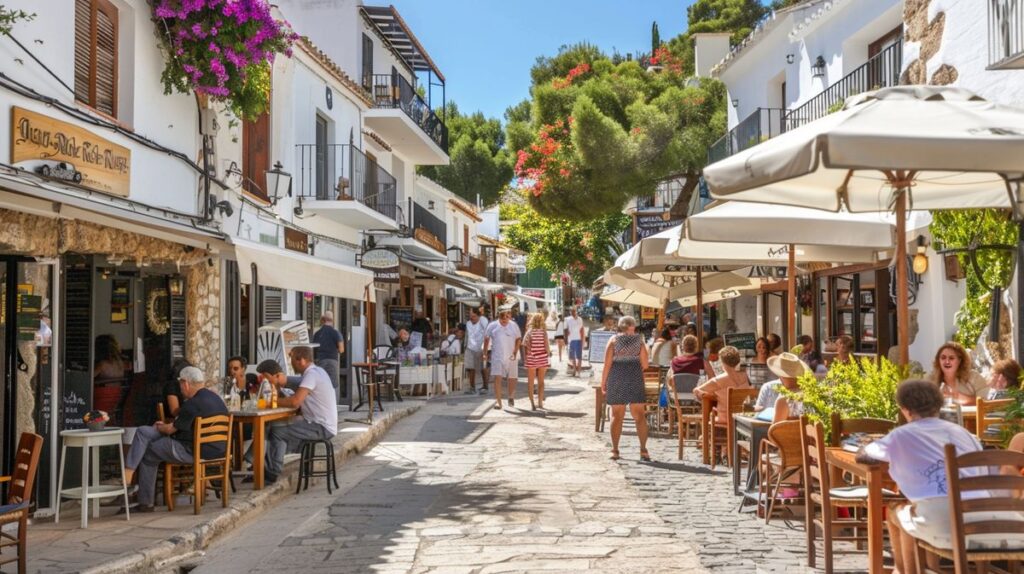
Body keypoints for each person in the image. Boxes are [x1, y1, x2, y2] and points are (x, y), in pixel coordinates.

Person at [857, 380, 984, 574]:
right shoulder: (964, 434)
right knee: (915, 509)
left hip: (943, 520)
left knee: (895, 512)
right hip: (981, 517)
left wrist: (866, 443)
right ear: (938, 406)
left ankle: (905, 571)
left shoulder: (901, 435)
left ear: (905, 409)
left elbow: (865, 456)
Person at [123, 366, 227, 512]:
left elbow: (171, 429)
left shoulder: (192, 403)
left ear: (185, 383)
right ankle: (130, 471)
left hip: (192, 451)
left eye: (180, 385)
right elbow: (178, 426)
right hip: (215, 449)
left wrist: (161, 427)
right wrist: (163, 427)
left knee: (147, 452)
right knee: (143, 431)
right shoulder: (216, 399)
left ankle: (144, 500)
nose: (180, 390)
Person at [257, 346, 338, 484]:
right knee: (277, 427)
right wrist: (277, 379)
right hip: (320, 424)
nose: (291, 364)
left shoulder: (311, 375)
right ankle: (263, 467)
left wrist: (271, 402)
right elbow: (288, 381)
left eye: (292, 360)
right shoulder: (318, 372)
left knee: (277, 431)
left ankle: (271, 473)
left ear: (301, 360)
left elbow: (295, 402)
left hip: (320, 426)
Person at [601, 316, 651, 462]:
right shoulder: (639, 342)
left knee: (617, 415)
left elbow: (607, 364)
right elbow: (646, 364)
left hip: (616, 377)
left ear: (620, 326)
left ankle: (615, 450)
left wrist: (603, 382)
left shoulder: (613, 341)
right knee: (640, 416)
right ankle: (643, 450)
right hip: (635, 377)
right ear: (633, 327)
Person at [695, 346, 752, 424]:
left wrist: (708, 395)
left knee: (706, 418)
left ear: (722, 362)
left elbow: (696, 390)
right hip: (743, 418)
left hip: (725, 418)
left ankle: (705, 435)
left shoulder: (719, 380)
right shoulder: (746, 375)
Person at [483, 308, 522, 410]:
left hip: (512, 355)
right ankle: (498, 401)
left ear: (509, 317)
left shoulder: (513, 325)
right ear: (498, 318)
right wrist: (485, 353)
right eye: (502, 319)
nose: (504, 321)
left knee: (512, 377)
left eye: (506, 319)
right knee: (497, 377)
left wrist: (515, 351)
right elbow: (486, 339)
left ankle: (511, 396)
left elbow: (518, 339)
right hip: (497, 355)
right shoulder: (492, 326)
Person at [755, 352, 808, 423]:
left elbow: (774, 431)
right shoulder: (810, 396)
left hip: (787, 433)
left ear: (782, 376)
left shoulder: (783, 400)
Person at [312, 311, 345, 398]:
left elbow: (313, 349)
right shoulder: (336, 333)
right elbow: (341, 349)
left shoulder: (317, 333)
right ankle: (333, 405)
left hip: (320, 361)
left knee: (321, 383)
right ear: (332, 320)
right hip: (332, 361)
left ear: (322, 320)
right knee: (333, 384)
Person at [522, 313, 550, 410]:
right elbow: (547, 347)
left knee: (530, 382)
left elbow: (524, 344)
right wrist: (548, 356)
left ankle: (532, 404)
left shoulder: (529, 332)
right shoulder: (543, 332)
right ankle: (540, 403)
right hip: (542, 357)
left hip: (531, 358)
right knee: (541, 382)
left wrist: (527, 355)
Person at [464, 308, 488, 394]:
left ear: (479, 316)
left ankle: (485, 386)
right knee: (471, 368)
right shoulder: (468, 324)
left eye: (474, 316)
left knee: (482, 368)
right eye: (470, 316)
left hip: (480, 348)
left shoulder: (482, 322)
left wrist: (486, 349)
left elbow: (487, 333)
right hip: (470, 347)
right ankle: (472, 387)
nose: (472, 318)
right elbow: (467, 335)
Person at [565, 308, 585, 377]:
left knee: (579, 357)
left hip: (578, 339)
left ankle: (578, 372)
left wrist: (583, 340)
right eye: (571, 311)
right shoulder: (567, 319)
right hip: (571, 340)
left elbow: (582, 330)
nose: (573, 312)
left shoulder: (580, 319)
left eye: (574, 311)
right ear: (570, 312)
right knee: (572, 356)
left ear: (576, 311)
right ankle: (574, 370)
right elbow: (565, 329)